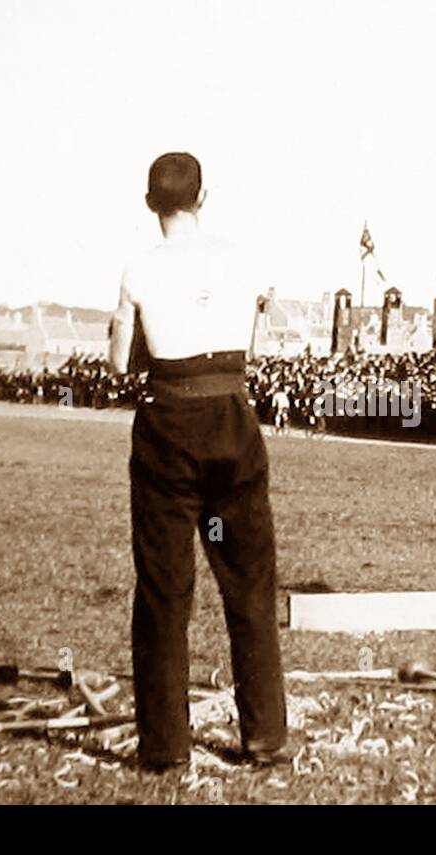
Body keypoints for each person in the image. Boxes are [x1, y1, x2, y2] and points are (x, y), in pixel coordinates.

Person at [109, 151, 287, 771]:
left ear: (150, 203)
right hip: (231, 416)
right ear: (203, 197)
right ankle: (265, 736)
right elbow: (254, 344)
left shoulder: (139, 265)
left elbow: (117, 363)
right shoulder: (241, 258)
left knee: (164, 590)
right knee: (250, 582)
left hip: (168, 419)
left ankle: (165, 749)